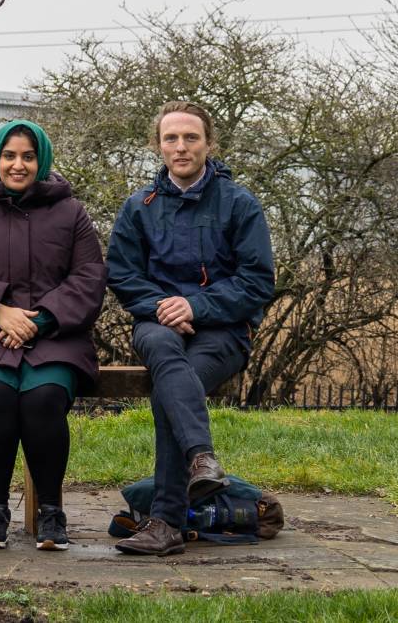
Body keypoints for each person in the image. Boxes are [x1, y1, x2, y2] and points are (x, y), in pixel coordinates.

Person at [107, 101, 275, 556]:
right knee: (166, 360)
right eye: (171, 138)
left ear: (209, 144)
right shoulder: (138, 206)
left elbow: (258, 281)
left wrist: (196, 306)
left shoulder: (240, 204)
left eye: (190, 138)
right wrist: (164, 306)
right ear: (157, 145)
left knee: (169, 390)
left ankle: (164, 522)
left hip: (222, 331)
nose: (180, 147)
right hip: (157, 325)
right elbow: (121, 274)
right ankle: (202, 460)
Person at [0, 120, 106, 551]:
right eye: (9, 155)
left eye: (28, 156)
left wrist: (41, 319)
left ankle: (51, 511)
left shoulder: (71, 213)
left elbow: (89, 278)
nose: (18, 164)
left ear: (41, 160)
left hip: (56, 334)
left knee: (44, 397)